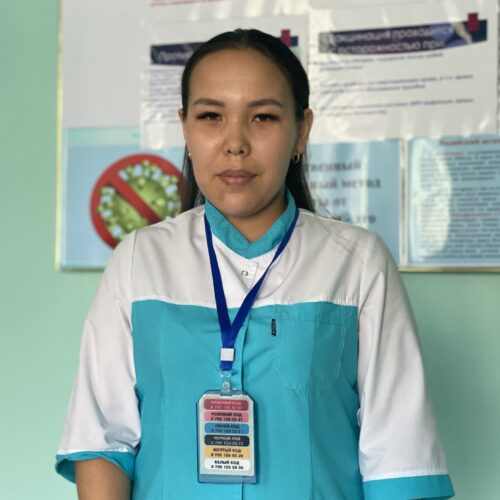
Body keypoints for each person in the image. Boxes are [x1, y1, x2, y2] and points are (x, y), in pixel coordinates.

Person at [56, 29, 455, 499]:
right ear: (185, 127)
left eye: (263, 117)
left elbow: (400, 458)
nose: (235, 143)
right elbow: (103, 440)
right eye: (211, 116)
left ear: (301, 130)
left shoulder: (358, 264)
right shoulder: (140, 260)